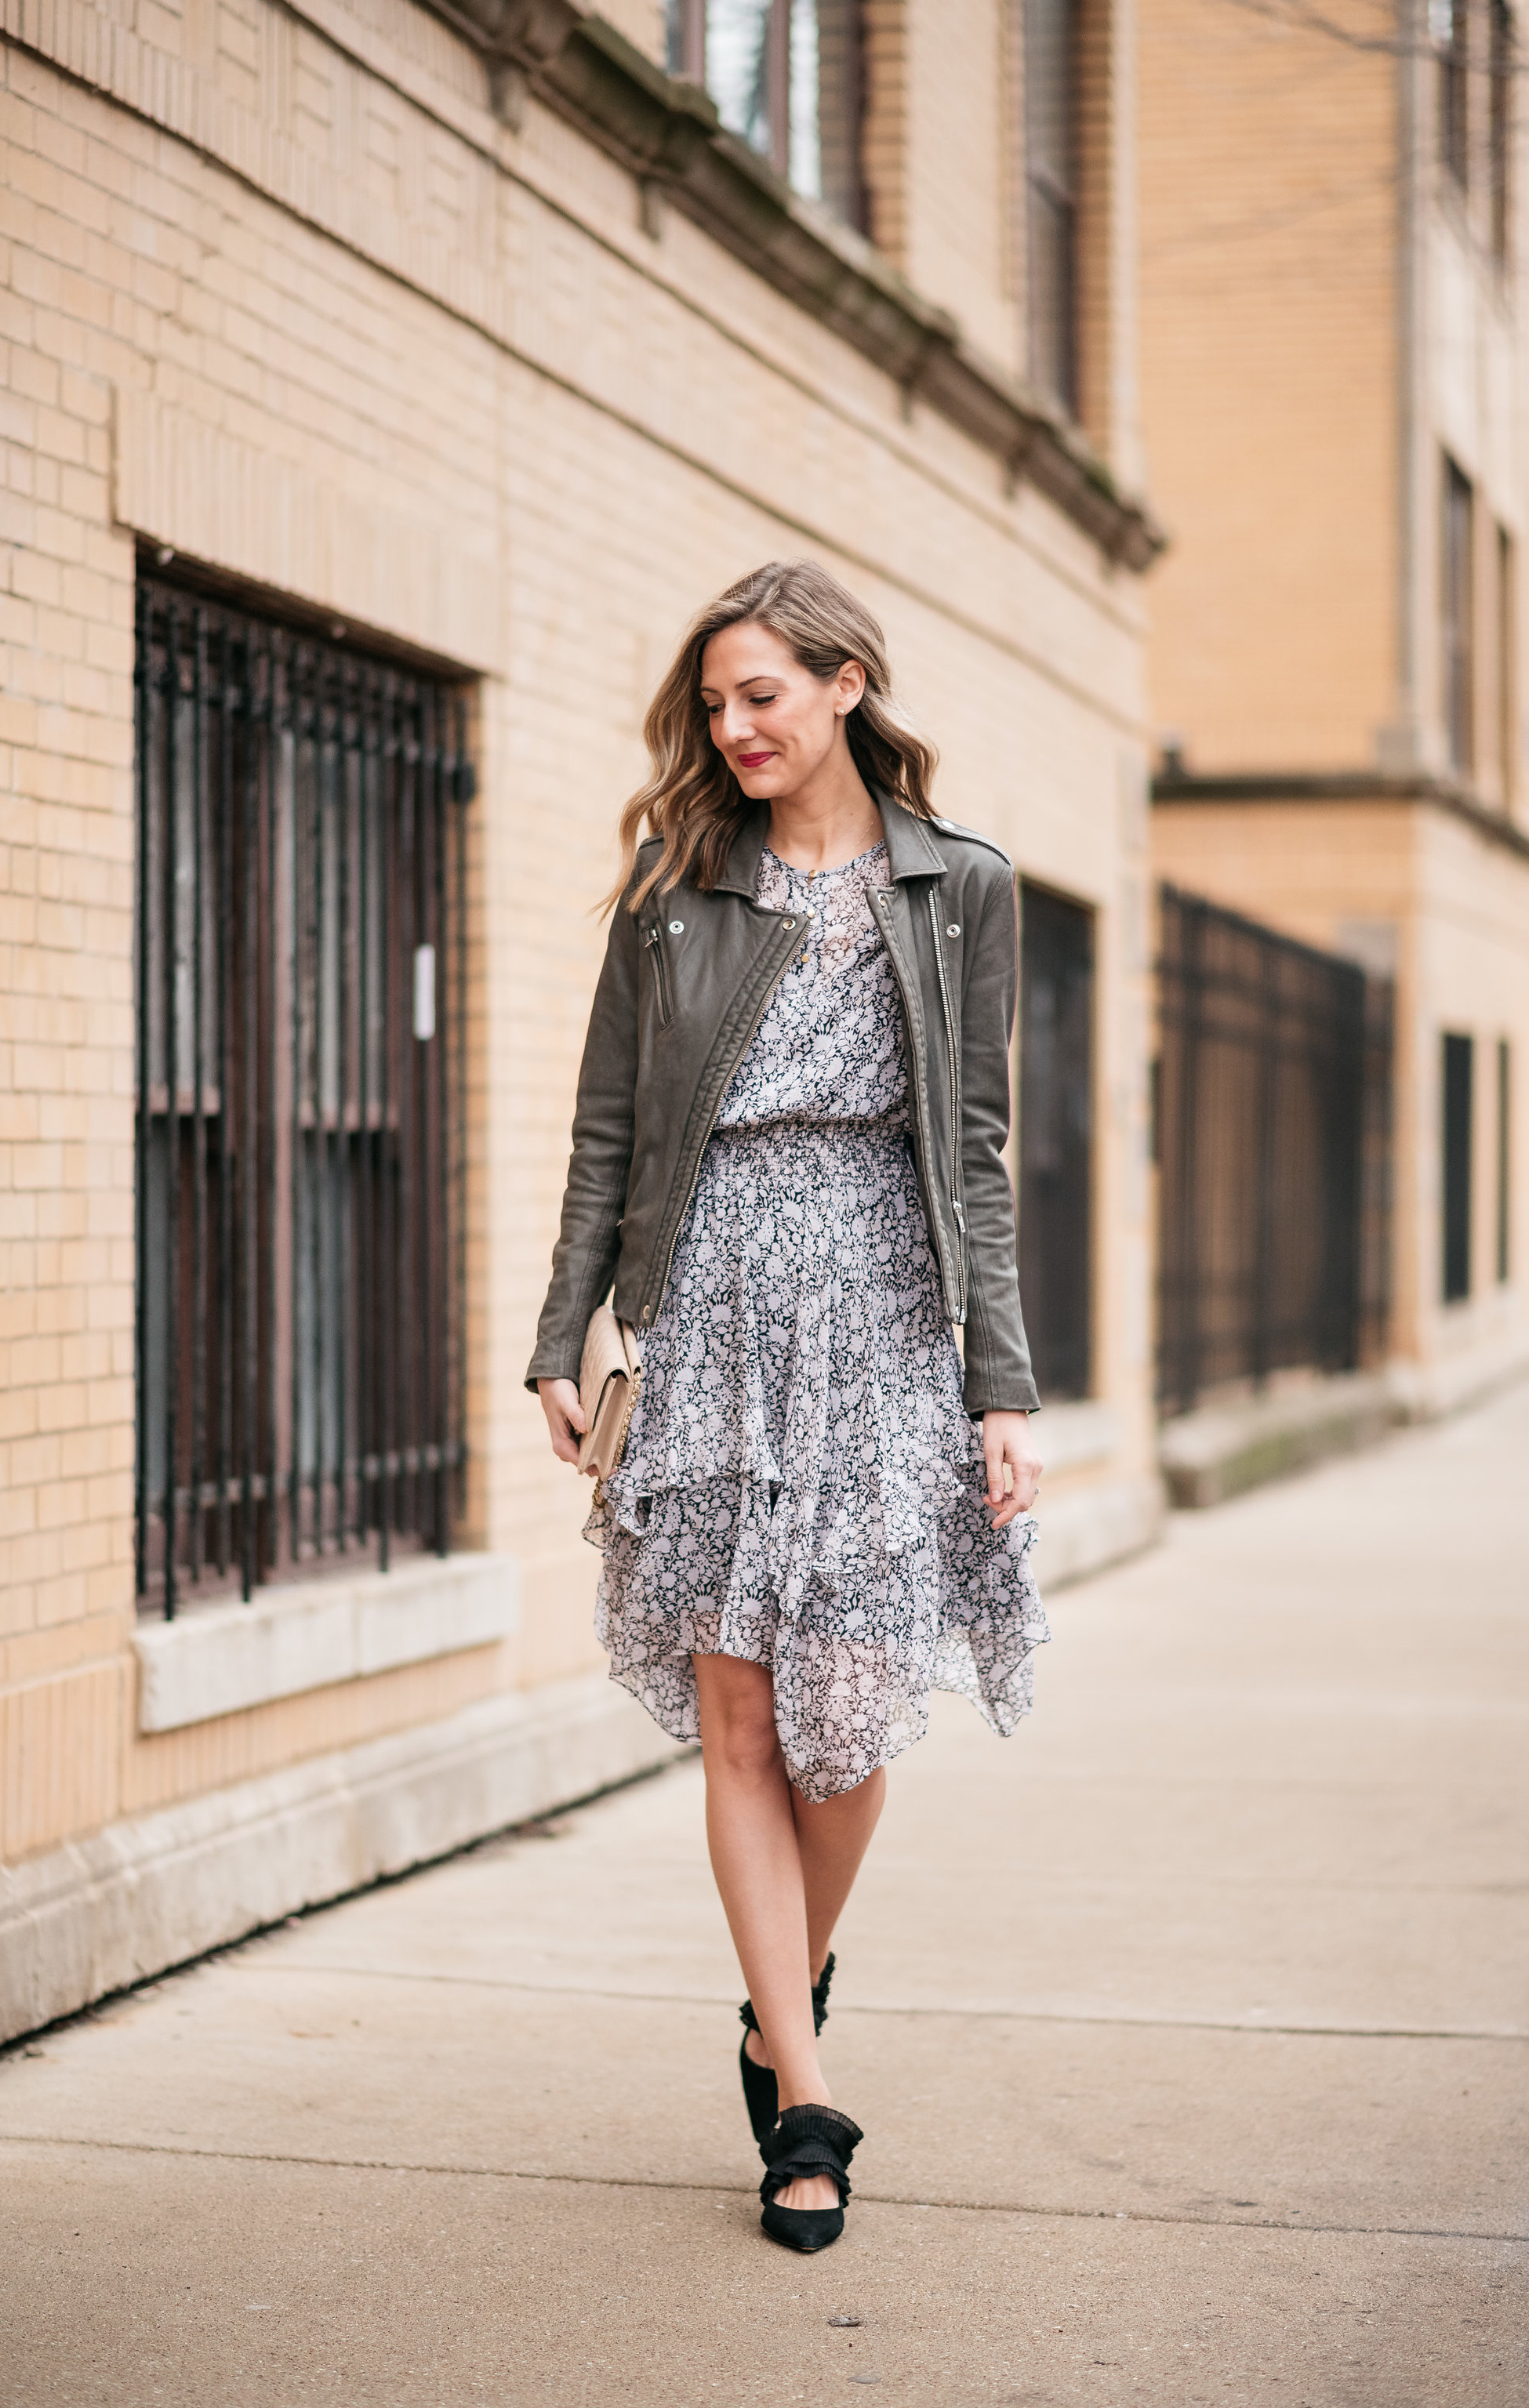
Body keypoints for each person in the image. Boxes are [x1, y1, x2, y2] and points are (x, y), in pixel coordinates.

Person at [527, 558, 1048, 2254]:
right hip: (716, 1302)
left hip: (887, 1305)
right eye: (712, 704)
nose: (731, 726)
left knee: (849, 1706)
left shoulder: (961, 887)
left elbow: (972, 1150)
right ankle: (803, 2101)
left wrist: (1000, 1386)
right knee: (740, 1711)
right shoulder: (675, 885)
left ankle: (770, 2002)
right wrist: (564, 1330)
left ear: (843, 685)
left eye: (760, 694)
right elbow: (609, 1128)